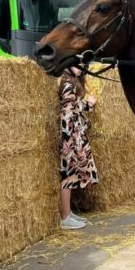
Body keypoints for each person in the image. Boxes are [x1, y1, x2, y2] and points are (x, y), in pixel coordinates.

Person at [59, 66, 99, 230]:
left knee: (73, 173)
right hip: (69, 134)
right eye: (76, 64)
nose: (81, 67)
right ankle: (65, 217)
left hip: (74, 132)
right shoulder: (68, 85)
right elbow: (70, 110)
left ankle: (68, 213)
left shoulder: (72, 82)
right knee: (68, 175)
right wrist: (89, 103)